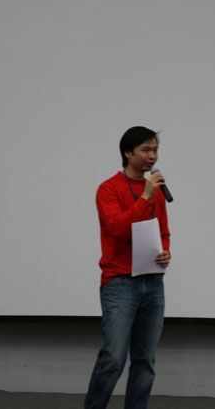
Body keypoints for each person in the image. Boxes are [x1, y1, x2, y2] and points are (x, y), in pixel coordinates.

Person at [85, 126, 171, 409]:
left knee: (145, 360)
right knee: (113, 357)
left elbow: (163, 232)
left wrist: (166, 253)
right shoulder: (108, 189)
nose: (152, 156)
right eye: (146, 150)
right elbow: (117, 228)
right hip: (120, 283)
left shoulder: (157, 192)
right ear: (127, 153)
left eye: (155, 150)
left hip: (153, 283)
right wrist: (145, 197)